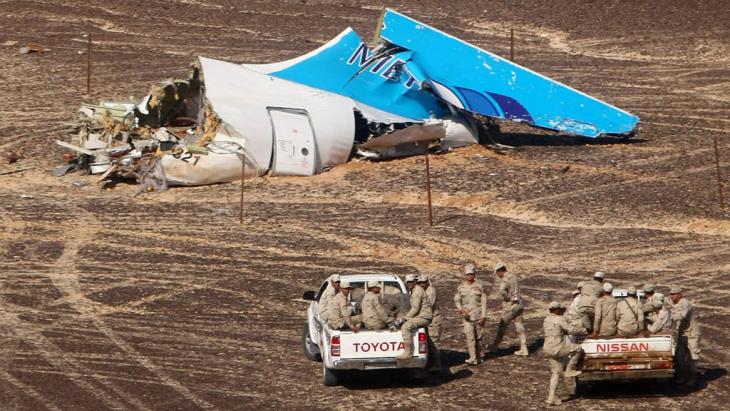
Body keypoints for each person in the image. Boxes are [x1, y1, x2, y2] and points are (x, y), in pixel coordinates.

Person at [543, 301, 587, 406]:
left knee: (556, 373)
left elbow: (557, 330)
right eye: (561, 310)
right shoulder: (559, 319)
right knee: (577, 348)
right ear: (557, 309)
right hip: (557, 348)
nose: (562, 311)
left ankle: (551, 397)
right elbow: (570, 330)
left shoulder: (546, 319)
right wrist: (583, 331)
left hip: (547, 348)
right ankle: (570, 369)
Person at [487, 262, 529, 356]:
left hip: (510, 306)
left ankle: (494, 346)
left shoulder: (505, 280)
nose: (497, 275)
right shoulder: (513, 276)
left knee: (502, 326)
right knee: (520, 328)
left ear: (500, 270)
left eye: (497, 273)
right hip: (519, 304)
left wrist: (506, 298)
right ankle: (524, 348)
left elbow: (502, 291)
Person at [454, 264, 488, 365]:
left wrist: (484, 316)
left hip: (478, 316)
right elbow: (457, 300)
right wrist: (461, 309)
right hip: (467, 317)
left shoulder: (479, 286)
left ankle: (478, 356)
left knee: (479, 338)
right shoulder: (460, 287)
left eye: (471, 274)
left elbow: (484, 302)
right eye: (468, 274)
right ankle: (472, 357)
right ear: (465, 275)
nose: (470, 276)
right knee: (470, 337)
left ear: (474, 274)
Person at [669, 287, 701, 386]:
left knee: (692, 356)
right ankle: (682, 377)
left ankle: (692, 378)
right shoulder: (674, 303)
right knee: (679, 357)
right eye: (671, 294)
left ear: (680, 295)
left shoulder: (685, 303)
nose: (672, 296)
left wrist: (668, 319)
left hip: (691, 333)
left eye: (674, 294)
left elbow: (682, 315)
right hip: (682, 333)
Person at [396, 274, 432, 360]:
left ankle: (408, 352)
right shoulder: (412, 291)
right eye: (408, 282)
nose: (409, 284)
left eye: (411, 282)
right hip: (419, 316)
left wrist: (405, 318)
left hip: (423, 317)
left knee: (405, 327)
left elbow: (415, 309)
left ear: (415, 282)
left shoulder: (417, 292)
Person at [418, 274, 443, 373]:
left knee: (434, 342)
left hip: (433, 320)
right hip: (428, 319)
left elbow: (429, 306)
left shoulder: (431, 291)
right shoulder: (425, 290)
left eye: (423, 282)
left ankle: (437, 364)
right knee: (429, 342)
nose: (421, 284)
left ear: (427, 282)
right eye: (419, 283)